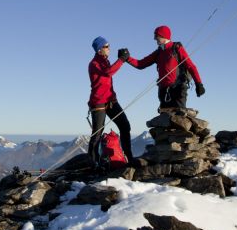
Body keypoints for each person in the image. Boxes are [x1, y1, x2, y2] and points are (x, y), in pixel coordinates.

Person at [123, 25, 204, 109]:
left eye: (156, 36)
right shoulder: (158, 52)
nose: (154, 38)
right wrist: (127, 58)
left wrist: (198, 84)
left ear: (163, 36)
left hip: (178, 89)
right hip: (163, 91)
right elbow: (141, 64)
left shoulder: (176, 48)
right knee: (164, 116)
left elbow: (191, 66)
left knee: (178, 116)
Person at [87, 36, 133, 167]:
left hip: (110, 100)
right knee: (97, 133)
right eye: (106, 46)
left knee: (125, 126)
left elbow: (109, 70)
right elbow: (108, 72)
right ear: (99, 49)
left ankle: (129, 158)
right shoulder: (94, 63)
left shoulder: (104, 61)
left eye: (109, 46)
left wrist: (121, 60)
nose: (109, 48)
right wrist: (121, 60)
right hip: (99, 102)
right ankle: (94, 164)